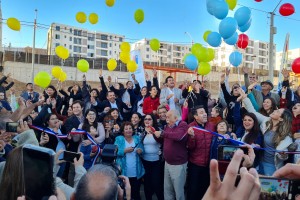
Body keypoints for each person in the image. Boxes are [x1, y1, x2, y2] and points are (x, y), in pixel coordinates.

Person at [238, 88, 293, 175]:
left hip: (271, 166)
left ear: (281, 119)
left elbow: (283, 154)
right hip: (259, 163)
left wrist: (283, 155)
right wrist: (245, 98)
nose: (275, 110)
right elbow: (253, 112)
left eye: (277, 111)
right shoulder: (266, 122)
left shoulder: (285, 136)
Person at [154, 109, 188, 200]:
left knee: (179, 192)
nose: (166, 118)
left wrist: (162, 133)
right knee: (168, 191)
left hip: (178, 164)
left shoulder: (183, 125)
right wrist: (155, 135)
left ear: (176, 118)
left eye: (169, 116)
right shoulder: (167, 126)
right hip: (168, 163)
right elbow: (163, 140)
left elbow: (179, 136)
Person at [186, 106, 214, 200]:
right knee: (193, 190)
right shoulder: (190, 127)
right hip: (195, 164)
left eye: (205, 112)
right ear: (195, 116)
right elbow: (190, 147)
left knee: (205, 189)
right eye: (201, 112)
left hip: (208, 164)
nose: (205, 114)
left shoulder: (211, 126)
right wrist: (192, 137)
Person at [114, 122, 145, 200]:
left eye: (130, 128)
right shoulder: (119, 139)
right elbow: (115, 152)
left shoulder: (137, 138)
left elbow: (142, 149)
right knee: (124, 195)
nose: (128, 130)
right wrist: (124, 151)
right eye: (126, 129)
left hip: (136, 172)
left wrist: (140, 151)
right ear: (123, 131)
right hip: (124, 173)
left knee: (136, 194)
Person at [141, 114, 164, 200]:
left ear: (153, 120)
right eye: (145, 119)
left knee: (157, 184)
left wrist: (154, 132)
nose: (147, 121)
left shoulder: (158, 130)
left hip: (156, 162)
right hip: (145, 161)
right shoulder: (142, 132)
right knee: (147, 185)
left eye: (149, 119)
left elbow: (162, 141)